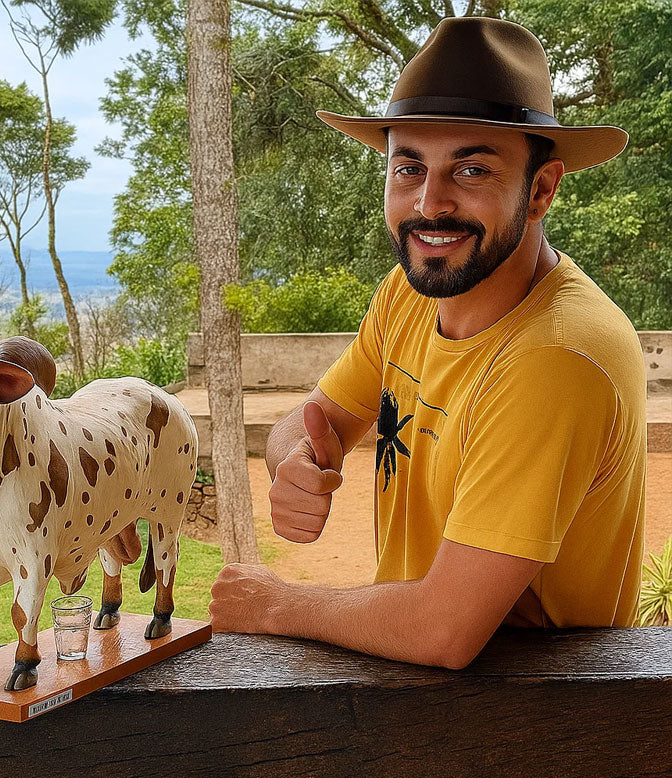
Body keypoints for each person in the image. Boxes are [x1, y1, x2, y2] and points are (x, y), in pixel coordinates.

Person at [208, 16, 647, 669]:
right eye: (408, 167)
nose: (429, 202)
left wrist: (274, 604)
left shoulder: (555, 357)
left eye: (471, 169)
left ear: (542, 189)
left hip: (535, 732)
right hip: (416, 700)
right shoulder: (411, 295)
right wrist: (295, 460)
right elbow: (318, 417)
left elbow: (443, 629)